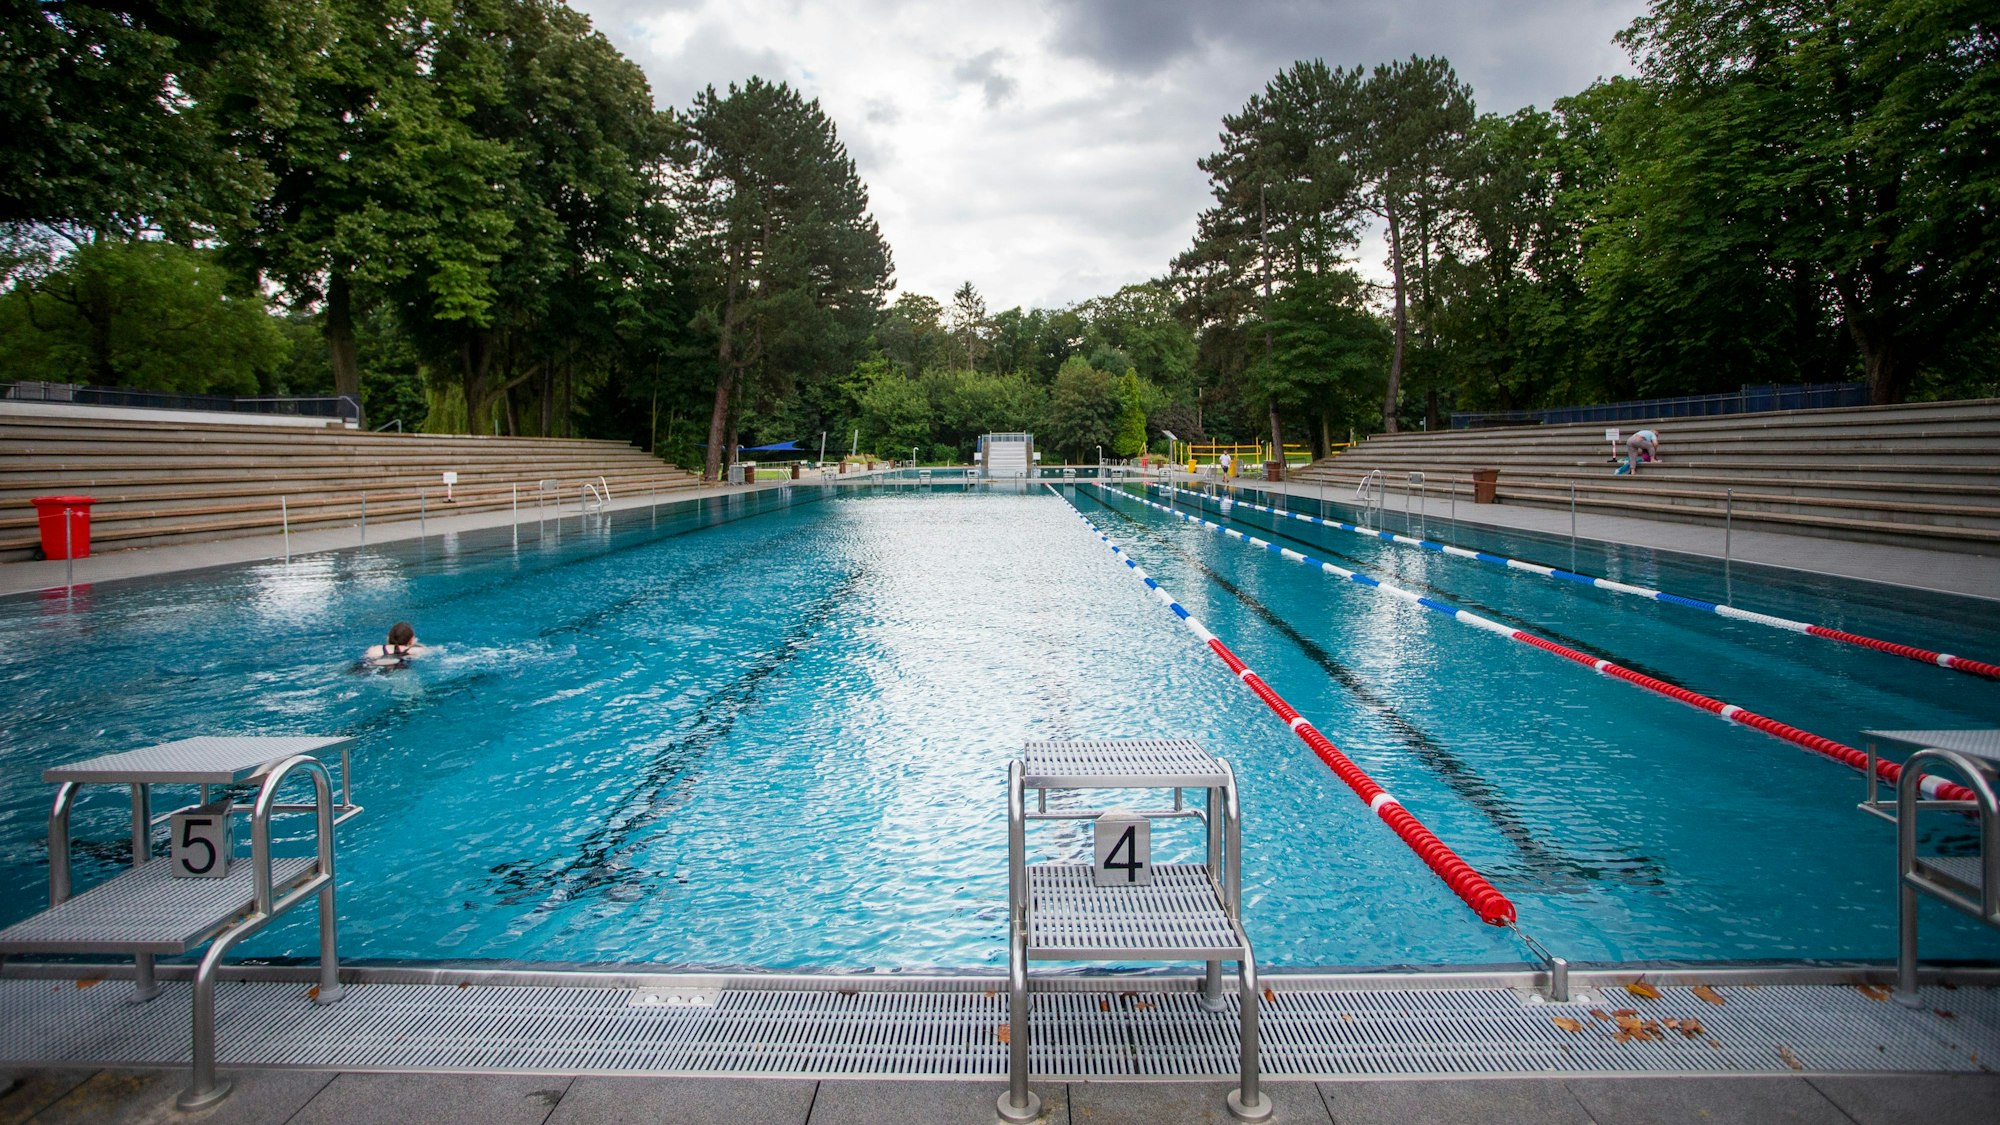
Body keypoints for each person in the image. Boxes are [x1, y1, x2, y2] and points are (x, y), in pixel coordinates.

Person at [360, 621, 427, 669]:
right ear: (411, 640)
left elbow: (365, 661)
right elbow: (427, 650)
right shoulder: (415, 650)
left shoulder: (375, 649)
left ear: (388, 638)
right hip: (397, 669)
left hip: (372, 667)